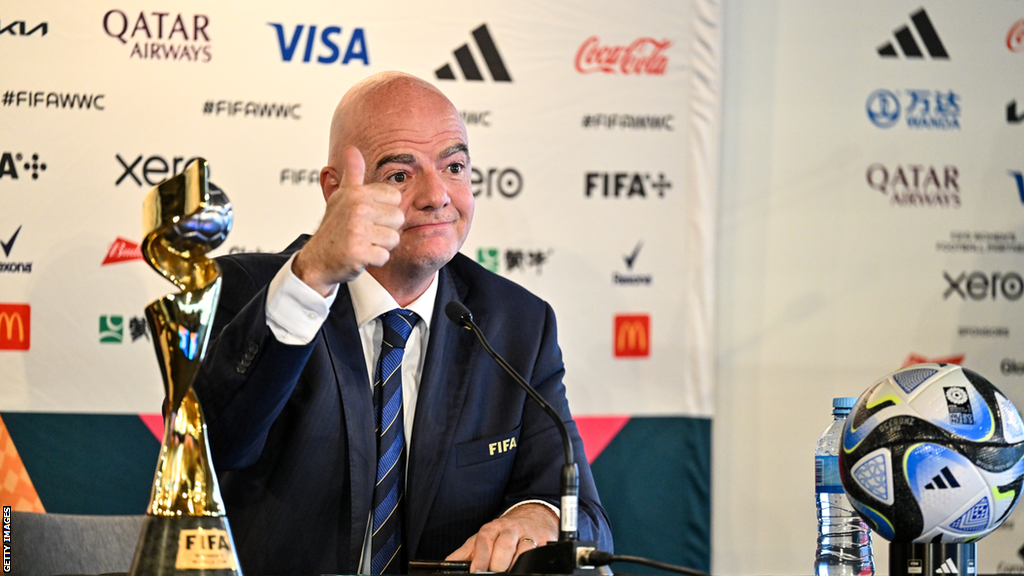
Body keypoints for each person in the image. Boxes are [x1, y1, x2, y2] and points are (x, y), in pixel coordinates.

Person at [192, 71, 612, 575]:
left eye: (454, 166)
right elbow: (216, 449)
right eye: (399, 175)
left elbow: (584, 517)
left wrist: (536, 518)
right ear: (336, 191)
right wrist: (312, 277)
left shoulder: (517, 324)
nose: (437, 195)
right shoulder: (252, 293)